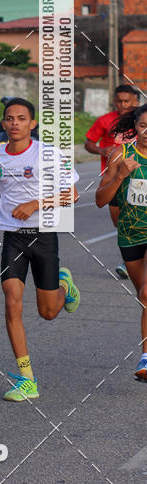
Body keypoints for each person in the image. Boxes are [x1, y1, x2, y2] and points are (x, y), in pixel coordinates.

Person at [0, 98, 80, 402]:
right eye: (9, 118)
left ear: (32, 124)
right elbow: (0, 187)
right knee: (12, 303)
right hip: (13, 237)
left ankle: (64, 285)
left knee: (48, 312)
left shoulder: (49, 154)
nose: (15, 123)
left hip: (43, 236)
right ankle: (27, 379)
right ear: (3, 123)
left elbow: (72, 194)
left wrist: (36, 204)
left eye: (22, 118)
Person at [96, 103, 147, 381]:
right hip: (130, 234)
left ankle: (146, 358)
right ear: (135, 127)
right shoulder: (121, 154)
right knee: (144, 298)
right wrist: (119, 175)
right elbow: (100, 199)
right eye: (143, 126)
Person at [85, 84, 140, 278]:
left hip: (138, 180)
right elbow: (88, 142)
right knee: (120, 223)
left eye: (127, 101)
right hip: (114, 180)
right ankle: (132, 255)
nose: (122, 104)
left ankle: (131, 260)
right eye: (119, 101)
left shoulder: (142, 118)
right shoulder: (105, 120)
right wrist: (102, 150)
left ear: (136, 101)